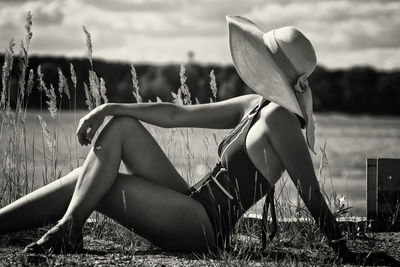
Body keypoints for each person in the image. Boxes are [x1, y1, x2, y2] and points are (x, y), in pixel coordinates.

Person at [0, 16, 352, 259]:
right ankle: (52, 227)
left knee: (96, 184)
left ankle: (68, 230)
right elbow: (176, 115)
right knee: (118, 130)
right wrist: (109, 107)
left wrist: (345, 253)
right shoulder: (256, 104)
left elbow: (313, 196)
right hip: (192, 202)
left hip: (203, 226)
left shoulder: (281, 120)